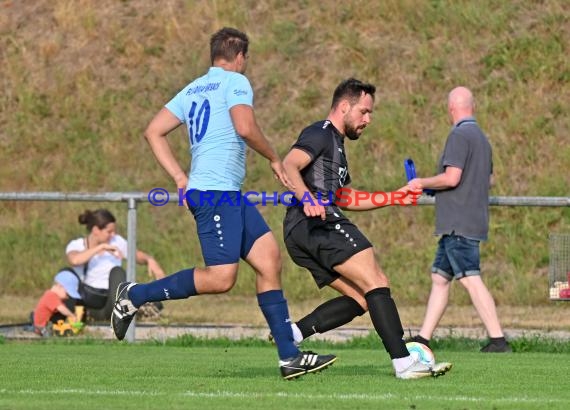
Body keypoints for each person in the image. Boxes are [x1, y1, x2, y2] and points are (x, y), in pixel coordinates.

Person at [110, 27, 336, 380]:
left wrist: (180, 178)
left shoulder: (193, 88)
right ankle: (135, 295)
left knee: (268, 260)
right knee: (221, 278)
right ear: (240, 56)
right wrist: (275, 158)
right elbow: (245, 127)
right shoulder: (235, 82)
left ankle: (289, 357)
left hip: (227, 193)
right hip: (216, 194)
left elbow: (153, 131)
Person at [280, 78, 451, 379]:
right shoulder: (320, 133)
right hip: (313, 223)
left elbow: (345, 197)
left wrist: (393, 197)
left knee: (361, 298)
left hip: (301, 231)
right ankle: (403, 361)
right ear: (344, 106)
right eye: (364, 112)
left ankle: (292, 334)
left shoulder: (337, 146)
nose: (368, 120)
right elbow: (289, 164)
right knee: (376, 280)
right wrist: (307, 198)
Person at [406, 86, 511, 353]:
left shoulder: (458, 136)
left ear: (451, 108)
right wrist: (436, 187)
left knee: (470, 278)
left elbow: (452, 177)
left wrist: (421, 182)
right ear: (471, 107)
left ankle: (498, 340)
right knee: (439, 278)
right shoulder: (482, 140)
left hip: (458, 223)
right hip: (469, 220)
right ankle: (423, 338)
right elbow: (488, 180)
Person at [65, 208, 166, 321]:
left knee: (154, 300)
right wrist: (101, 247)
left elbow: (136, 255)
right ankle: (131, 310)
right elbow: (74, 260)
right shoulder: (77, 245)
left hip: (113, 297)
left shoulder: (116, 241)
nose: (113, 235)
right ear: (95, 230)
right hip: (93, 300)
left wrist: (149, 260)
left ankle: (127, 309)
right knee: (117, 272)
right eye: (109, 232)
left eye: (114, 231)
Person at [33, 270, 82, 336]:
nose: (67, 297)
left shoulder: (54, 297)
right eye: (67, 294)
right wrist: (72, 315)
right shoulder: (51, 296)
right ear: (59, 286)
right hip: (41, 328)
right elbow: (62, 309)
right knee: (58, 333)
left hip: (45, 326)